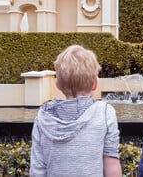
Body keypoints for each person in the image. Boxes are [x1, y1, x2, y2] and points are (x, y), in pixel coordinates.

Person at [30, 45, 122, 177]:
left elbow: (38, 168)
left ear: (58, 85)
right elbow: (111, 162)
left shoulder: (43, 116)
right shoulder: (105, 113)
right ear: (95, 84)